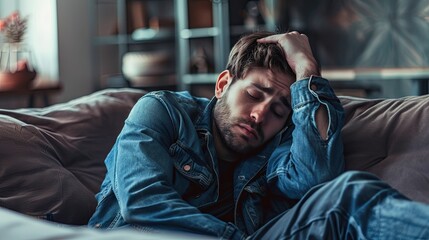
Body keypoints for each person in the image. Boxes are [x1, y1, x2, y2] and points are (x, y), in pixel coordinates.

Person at [88, 31, 429, 239]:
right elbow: (141, 202)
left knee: (350, 194)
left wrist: (306, 69)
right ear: (223, 84)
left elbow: (319, 179)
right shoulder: (162, 110)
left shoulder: (274, 145)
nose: (260, 114)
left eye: (280, 110)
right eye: (254, 95)